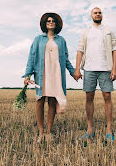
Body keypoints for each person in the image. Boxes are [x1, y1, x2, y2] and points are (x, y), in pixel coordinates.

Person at [23, 13, 81, 142]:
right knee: (40, 101)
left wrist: (73, 72)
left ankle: (48, 132)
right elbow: (31, 58)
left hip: (56, 74)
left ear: (57, 24)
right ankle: (41, 132)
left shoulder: (61, 40)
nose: (50, 22)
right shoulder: (38, 39)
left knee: (52, 101)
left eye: (53, 21)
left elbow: (65, 59)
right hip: (41, 73)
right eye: (48, 20)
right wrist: (27, 75)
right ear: (45, 23)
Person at [74, 7, 116, 141]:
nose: (98, 14)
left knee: (107, 97)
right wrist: (77, 69)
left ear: (102, 15)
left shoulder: (108, 30)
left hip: (105, 68)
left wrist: (114, 69)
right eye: (95, 13)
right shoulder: (86, 31)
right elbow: (80, 50)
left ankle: (109, 131)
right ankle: (89, 130)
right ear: (91, 15)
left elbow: (114, 50)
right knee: (89, 98)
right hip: (89, 69)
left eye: (100, 13)